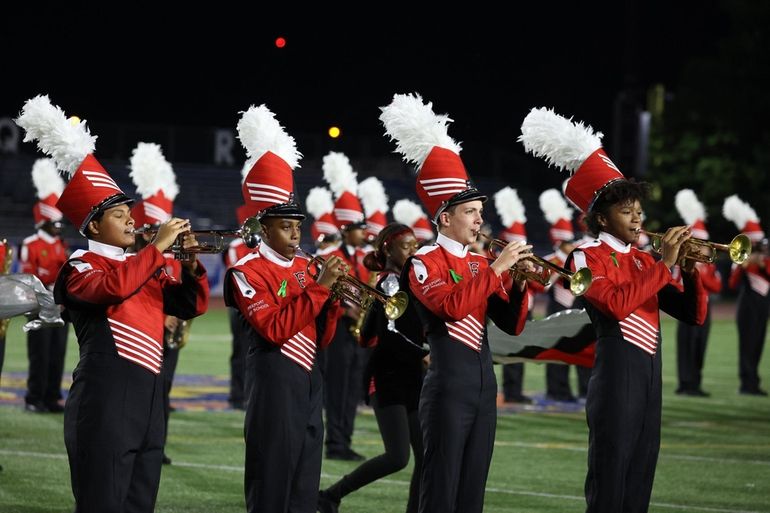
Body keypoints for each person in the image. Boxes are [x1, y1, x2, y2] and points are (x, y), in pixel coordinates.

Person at [16, 95, 211, 512]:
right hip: (104, 402)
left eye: (129, 212)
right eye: (119, 214)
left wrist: (190, 263)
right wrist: (156, 248)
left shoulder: (140, 264)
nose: (130, 220)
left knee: (141, 503)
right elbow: (111, 290)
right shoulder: (79, 266)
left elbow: (189, 304)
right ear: (93, 224)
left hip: (150, 402)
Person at [520, 106, 708, 513]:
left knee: (640, 481)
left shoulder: (643, 260)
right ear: (601, 217)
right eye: (627, 211)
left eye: (639, 210)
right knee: (609, 485)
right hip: (616, 377)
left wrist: (689, 272)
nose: (638, 218)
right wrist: (665, 265)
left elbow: (692, 315)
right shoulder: (586, 256)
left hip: (649, 380)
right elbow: (617, 306)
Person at [381, 93, 532, 513]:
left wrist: (519, 285)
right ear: (445, 217)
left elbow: (511, 324)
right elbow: (450, 308)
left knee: (472, 494)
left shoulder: (483, 262)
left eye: (480, 211)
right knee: (441, 488)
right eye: (470, 211)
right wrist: (497, 270)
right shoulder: (423, 262)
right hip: (447, 388)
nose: (480, 219)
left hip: (485, 386)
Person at [224, 104, 344, 512]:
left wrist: (334, 303)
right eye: (285, 227)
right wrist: (320, 289)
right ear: (262, 227)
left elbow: (320, 336)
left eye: (298, 226)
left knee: (305, 479)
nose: (296, 234)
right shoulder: (246, 270)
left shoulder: (308, 267)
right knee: (272, 476)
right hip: (273, 378)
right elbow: (274, 328)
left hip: (310, 378)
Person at [318, 223, 426, 513]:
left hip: (414, 376)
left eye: (416, 245)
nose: (414, 251)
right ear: (388, 250)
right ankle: (331, 494)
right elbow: (386, 337)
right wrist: (424, 354)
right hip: (388, 377)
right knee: (397, 456)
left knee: (426, 457)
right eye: (407, 246)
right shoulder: (388, 284)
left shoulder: (413, 280)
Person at [128, 141, 186, 464]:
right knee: (142, 389)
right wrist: (163, 316)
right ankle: (138, 443)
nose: (158, 236)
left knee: (163, 390)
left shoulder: (174, 257)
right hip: (145, 332)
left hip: (169, 332)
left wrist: (178, 316)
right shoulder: (135, 258)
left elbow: (180, 292)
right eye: (153, 230)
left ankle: (156, 445)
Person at [321, 151, 372, 462]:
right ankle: (335, 443)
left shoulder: (364, 258)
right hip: (339, 330)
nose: (363, 231)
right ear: (345, 230)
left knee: (352, 390)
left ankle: (345, 440)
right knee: (338, 388)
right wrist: (344, 310)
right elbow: (324, 292)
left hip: (358, 331)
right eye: (358, 227)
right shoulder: (332, 256)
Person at [21, 158, 69, 413]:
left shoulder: (60, 245)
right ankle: (33, 398)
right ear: (44, 221)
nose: (59, 227)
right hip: (39, 306)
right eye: (55, 222)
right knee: (39, 354)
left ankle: (51, 397)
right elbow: (30, 278)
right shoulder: (31, 244)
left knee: (57, 353)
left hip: (59, 307)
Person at [673, 190, 722, 397]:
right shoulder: (682, 263)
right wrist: (692, 271)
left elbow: (717, 287)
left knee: (700, 345)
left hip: (706, 307)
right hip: (687, 306)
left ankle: (696, 383)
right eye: (699, 245)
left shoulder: (708, 267)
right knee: (686, 345)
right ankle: (685, 384)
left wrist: (702, 273)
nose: (703, 251)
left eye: (704, 246)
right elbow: (675, 284)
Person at [723, 194, 769, 396]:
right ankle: (746, 383)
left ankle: (754, 381)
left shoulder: (765, 260)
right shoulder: (740, 261)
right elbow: (732, 285)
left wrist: (762, 264)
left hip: (763, 303)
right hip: (748, 303)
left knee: (758, 341)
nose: (760, 249)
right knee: (748, 342)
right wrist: (742, 267)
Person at [493, 186, 534, 404]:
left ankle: (515, 389)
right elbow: (504, 281)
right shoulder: (503, 263)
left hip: (522, 304)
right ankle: (511, 390)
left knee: (521, 350)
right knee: (512, 350)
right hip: (508, 303)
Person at [539, 188, 581, 402]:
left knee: (570, 351)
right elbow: (542, 285)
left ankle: (565, 389)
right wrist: (556, 268)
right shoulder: (551, 260)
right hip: (556, 307)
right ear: (559, 242)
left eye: (571, 241)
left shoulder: (575, 258)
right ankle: (556, 389)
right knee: (557, 351)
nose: (571, 245)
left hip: (572, 307)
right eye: (567, 242)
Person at [224, 203, 259, 410]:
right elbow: (237, 271)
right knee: (240, 350)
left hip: (259, 303)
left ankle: (253, 393)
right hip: (240, 305)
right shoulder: (236, 246)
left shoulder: (263, 244)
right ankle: (237, 396)